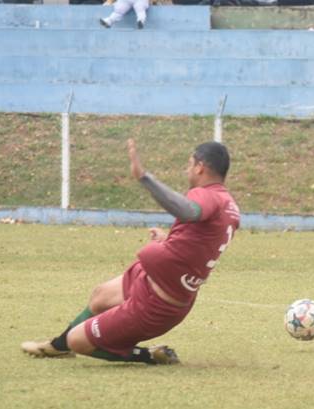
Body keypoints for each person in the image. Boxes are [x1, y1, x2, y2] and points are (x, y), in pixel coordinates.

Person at [21, 139, 240, 364]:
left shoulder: (205, 194)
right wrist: (170, 239)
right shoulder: (228, 204)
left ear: (200, 167)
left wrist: (144, 177)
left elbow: (188, 211)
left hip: (155, 303)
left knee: (77, 341)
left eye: (189, 163)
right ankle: (58, 346)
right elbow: (204, 243)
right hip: (152, 281)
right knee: (100, 296)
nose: (187, 169)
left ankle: (148, 355)